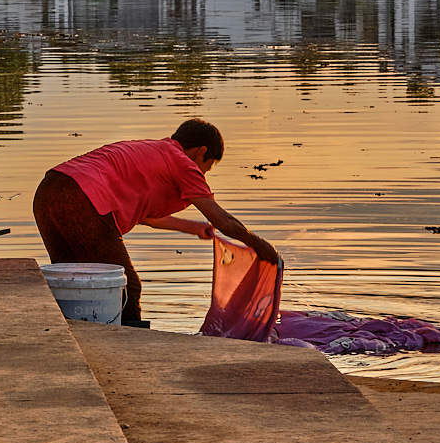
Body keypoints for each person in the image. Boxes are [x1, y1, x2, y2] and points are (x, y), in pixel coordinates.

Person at [33, 118, 279, 327]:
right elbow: (222, 219)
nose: (203, 174)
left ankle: (70, 337)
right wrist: (260, 245)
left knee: (71, 281)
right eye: (208, 167)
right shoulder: (183, 163)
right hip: (80, 198)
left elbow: (146, 216)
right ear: (200, 152)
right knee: (126, 288)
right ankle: (131, 352)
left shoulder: (157, 152)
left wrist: (192, 227)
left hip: (48, 192)